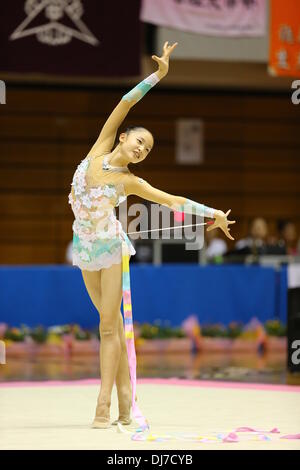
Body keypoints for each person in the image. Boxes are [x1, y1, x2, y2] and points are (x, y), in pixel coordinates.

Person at [68, 41, 235, 429]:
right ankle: (127, 400)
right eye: (140, 140)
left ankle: (103, 408)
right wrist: (157, 76)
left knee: (108, 326)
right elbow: (125, 103)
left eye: (148, 149)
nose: (143, 149)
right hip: (85, 249)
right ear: (124, 137)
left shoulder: (130, 182)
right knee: (107, 324)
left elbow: (172, 199)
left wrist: (212, 214)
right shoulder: (98, 149)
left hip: (110, 249)